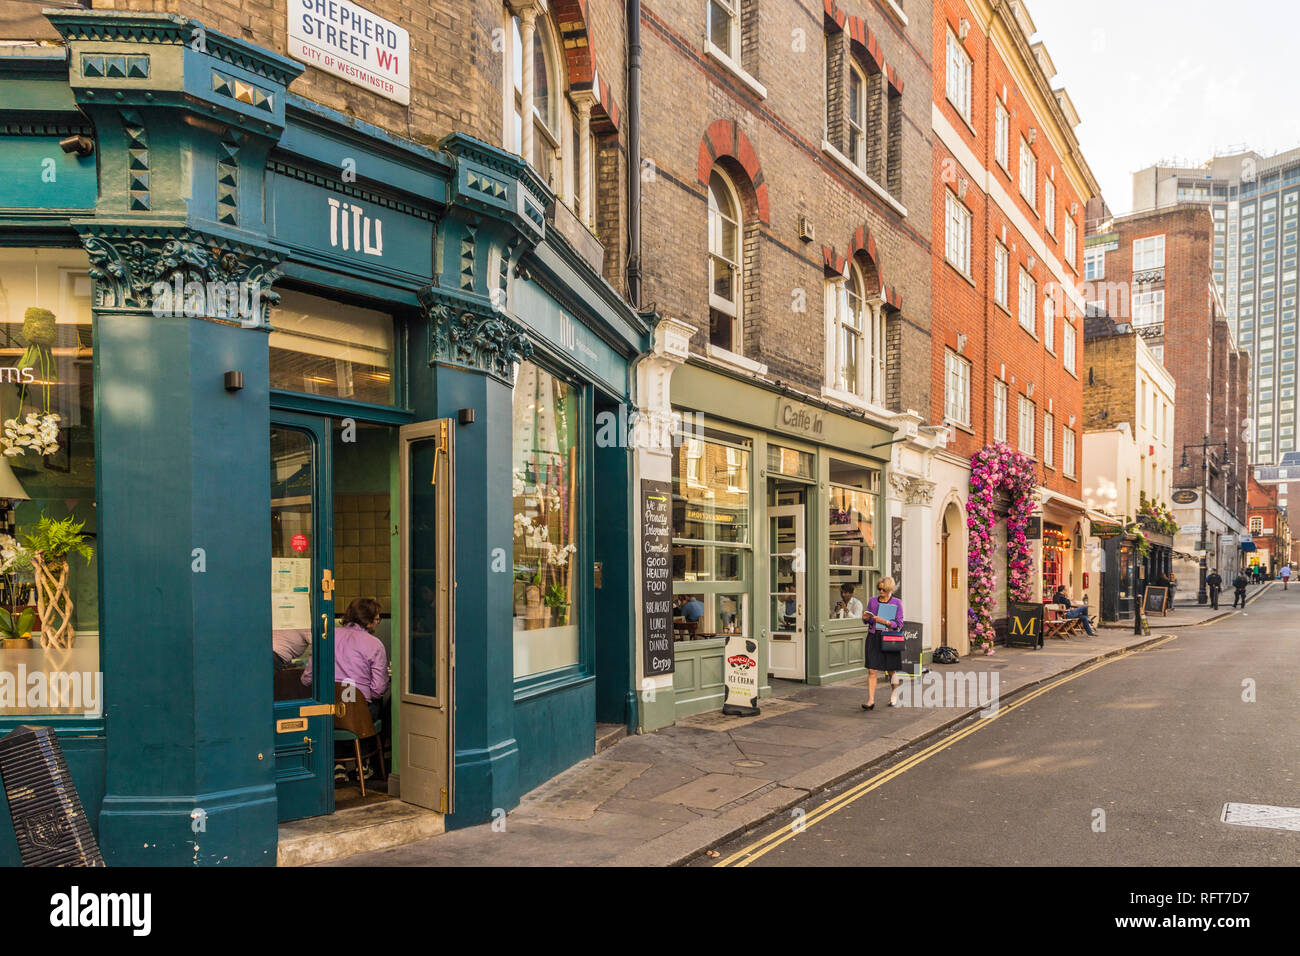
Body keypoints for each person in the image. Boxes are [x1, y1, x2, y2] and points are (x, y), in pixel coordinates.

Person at [302, 597, 389, 727]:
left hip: (326, 712)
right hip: (357, 715)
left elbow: (307, 679)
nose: (378, 623)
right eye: (377, 619)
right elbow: (378, 690)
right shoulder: (375, 644)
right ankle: (365, 746)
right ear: (368, 621)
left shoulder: (326, 638)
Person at [861, 577, 904, 711]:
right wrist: (865, 619)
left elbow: (899, 624)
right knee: (872, 670)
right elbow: (868, 620)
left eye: (883, 590)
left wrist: (885, 622)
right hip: (874, 637)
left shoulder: (897, 603)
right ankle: (871, 700)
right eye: (879, 589)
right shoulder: (872, 601)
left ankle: (894, 693)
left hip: (889, 638)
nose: (880, 592)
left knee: (891, 670)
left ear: (889, 590)